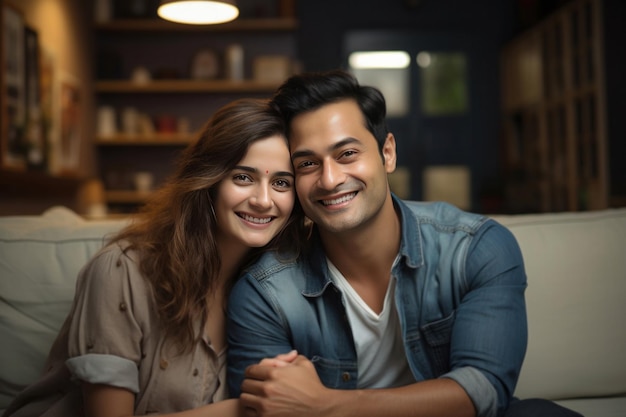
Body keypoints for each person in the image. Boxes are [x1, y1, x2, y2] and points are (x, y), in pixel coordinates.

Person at [226, 71, 583, 417]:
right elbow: (266, 408)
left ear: (388, 154)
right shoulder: (265, 292)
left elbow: (482, 389)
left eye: (347, 154)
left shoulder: (476, 248)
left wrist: (327, 406)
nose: (330, 179)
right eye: (307, 163)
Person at [2, 98, 306, 417]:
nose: (263, 200)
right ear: (209, 180)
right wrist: (245, 409)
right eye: (243, 177)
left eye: (281, 183)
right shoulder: (121, 271)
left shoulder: (272, 288)